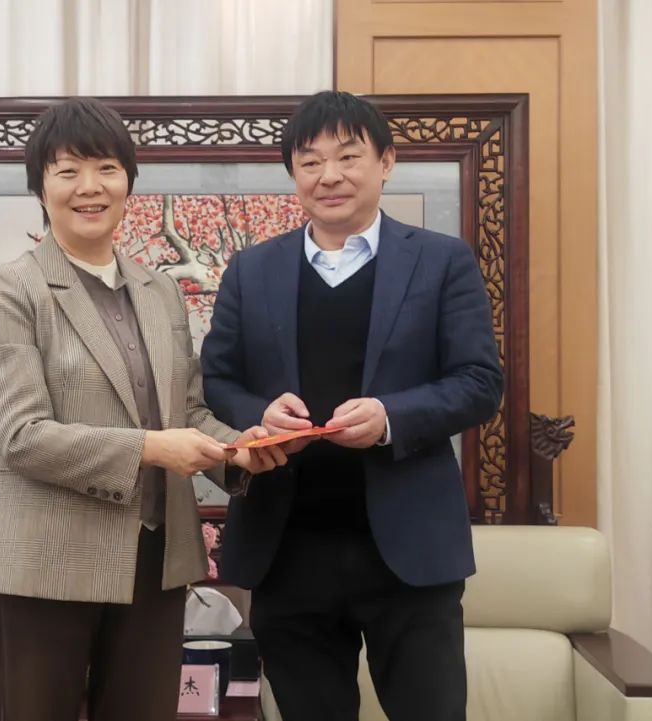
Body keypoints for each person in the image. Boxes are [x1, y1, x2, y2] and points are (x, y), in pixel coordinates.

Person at [0, 97, 284, 721]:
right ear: (41, 188)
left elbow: (186, 411)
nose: (90, 187)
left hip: (153, 562)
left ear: (128, 181)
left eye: (107, 168)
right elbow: (22, 437)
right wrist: (151, 448)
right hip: (45, 565)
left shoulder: (158, 289)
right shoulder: (9, 289)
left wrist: (239, 449)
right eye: (68, 171)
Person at [201, 91, 504, 721]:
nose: (329, 176)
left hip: (409, 550)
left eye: (348, 157)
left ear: (386, 162)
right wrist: (261, 414)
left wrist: (390, 418)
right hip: (287, 549)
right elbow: (218, 379)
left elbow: (479, 381)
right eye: (310, 162)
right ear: (293, 173)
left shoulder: (442, 261)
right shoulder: (252, 270)